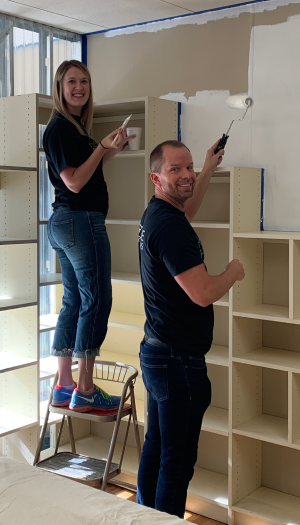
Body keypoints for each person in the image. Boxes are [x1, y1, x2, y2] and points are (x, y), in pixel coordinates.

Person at [137, 139, 245, 517]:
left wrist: (208, 167)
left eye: (189, 168)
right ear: (156, 176)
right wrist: (233, 272)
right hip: (177, 362)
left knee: (157, 449)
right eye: (175, 169)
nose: (186, 176)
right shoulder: (172, 229)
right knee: (176, 463)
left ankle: (142, 518)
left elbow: (188, 207)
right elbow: (201, 293)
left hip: (158, 352)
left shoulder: (159, 214)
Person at [43, 60, 135, 413]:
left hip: (66, 223)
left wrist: (111, 148)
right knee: (96, 300)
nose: (79, 87)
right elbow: (75, 182)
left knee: (74, 302)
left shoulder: (73, 129)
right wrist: (100, 145)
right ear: (60, 87)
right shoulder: (60, 129)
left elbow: (85, 170)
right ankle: (85, 388)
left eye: (84, 81)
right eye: (72, 82)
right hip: (80, 222)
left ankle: (64, 385)